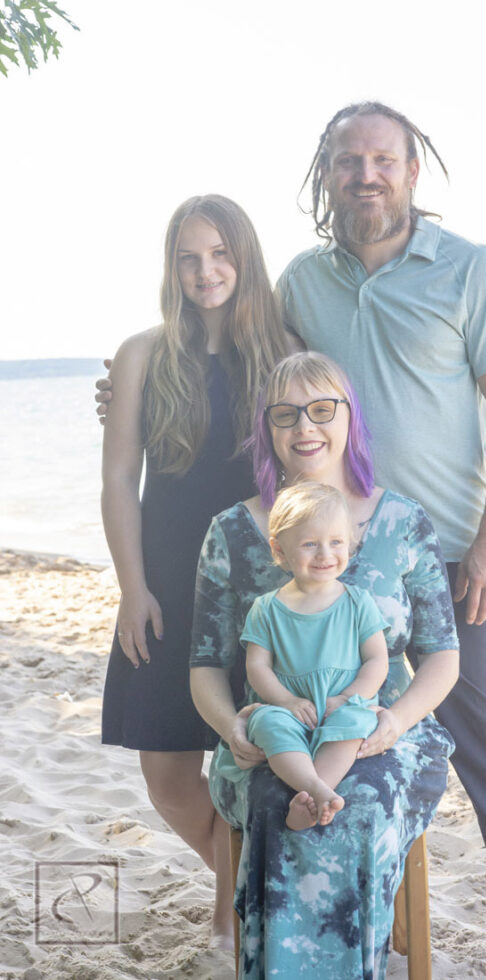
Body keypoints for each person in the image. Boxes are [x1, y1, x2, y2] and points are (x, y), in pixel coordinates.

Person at [275, 101, 486, 971]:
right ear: (327, 176)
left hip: (451, 559)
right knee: (339, 731)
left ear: (413, 172)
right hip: (336, 561)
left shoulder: (470, 269)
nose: (365, 175)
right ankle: (343, 915)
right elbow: (261, 385)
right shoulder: (300, 283)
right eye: (348, 161)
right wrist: (132, 384)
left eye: (383, 160)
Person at [189, 350, 460, 978]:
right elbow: (205, 664)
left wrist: (393, 721)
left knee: (359, 804)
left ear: (350, 416)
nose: (304, 426)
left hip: (384, 727)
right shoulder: (233, 532)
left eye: (321, 409)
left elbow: (443, 657)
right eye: (284, 414)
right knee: (273, 799)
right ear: (267, 428)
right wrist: (232, 728)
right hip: (274, 730)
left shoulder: (403, 522)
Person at [100, 193, 290, 944]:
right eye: (188, 258)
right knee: (169, 777)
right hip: (167, 583)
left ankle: (234, 914)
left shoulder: (284, 351)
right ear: (171, 267)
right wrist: (132, 587)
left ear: (244, 259)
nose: (205, 271)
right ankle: (244, 892)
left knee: (254, 761)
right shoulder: (142, 355)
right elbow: (120, 479)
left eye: (219, 254)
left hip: (262, 586)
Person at [241, 481, 389, 830]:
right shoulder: (267, 608)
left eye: (336, 542)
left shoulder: (358, 602)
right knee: (267, 723)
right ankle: (314, 788)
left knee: (356, 723)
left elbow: (376, 660)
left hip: (342, 705)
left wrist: (348, 697)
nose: (325, 554)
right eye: (309, 544)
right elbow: (257, 666)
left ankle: (311, 798)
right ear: (279, 549)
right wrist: (287, 701)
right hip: (292, 709)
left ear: (350, 543)